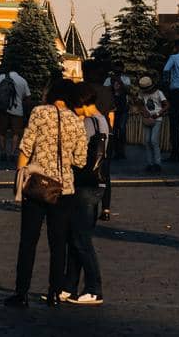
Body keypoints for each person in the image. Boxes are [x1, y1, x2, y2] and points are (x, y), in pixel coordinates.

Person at [5, 79, 86, 310]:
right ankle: (54, 293)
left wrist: (19, 179)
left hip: (38, 185)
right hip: (64, 188)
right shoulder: (76, 120)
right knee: (58, 243)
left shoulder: (39, 113)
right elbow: (80, 160)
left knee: (28, 241)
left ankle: (21, 293)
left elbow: (25, 146)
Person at [60, 82, 108, 305]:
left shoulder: (90, 122)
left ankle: (93, 288)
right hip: (94, 185)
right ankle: (69, 286)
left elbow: (76, 151)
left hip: (85, 184)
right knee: (76, 237)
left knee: (80, 239)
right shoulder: (101, 120)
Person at [0, 62, 30, 162]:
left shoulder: (2, 77)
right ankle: (13, 153)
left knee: (1, 132)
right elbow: (28, 97)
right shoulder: (22, 80)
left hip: (3, 109)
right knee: (16, 133)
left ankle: (3, 152)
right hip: (18, 110)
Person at [135, 76, 168, 173]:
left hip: (157, 118)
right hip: (147, 118)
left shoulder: (158, 93)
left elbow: (167, 104)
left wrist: (158, 113)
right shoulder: (142, 93)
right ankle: (150, 164)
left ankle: (157, 163)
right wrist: (143, 110)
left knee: (154, 140)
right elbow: (139, 103)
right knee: (147, 141)